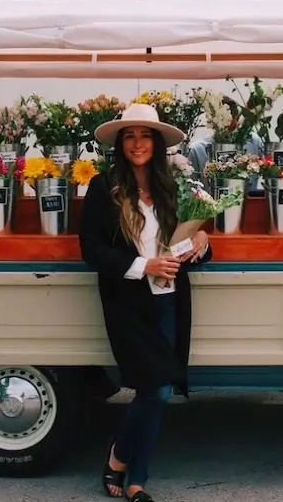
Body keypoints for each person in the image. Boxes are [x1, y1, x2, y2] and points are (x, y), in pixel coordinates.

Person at [78, 103, 213, 502]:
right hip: (128, 304)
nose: (138, 143)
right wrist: (144, 264)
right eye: (130, 136)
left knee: (157, 391)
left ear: (156, 143)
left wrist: (202, 244)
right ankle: (123, 459)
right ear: (121, 144)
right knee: (155, 391)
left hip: (170, 302)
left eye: (145, 135)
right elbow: (92, 250)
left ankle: (135, 479)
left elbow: (188, 245)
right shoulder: (103, 187)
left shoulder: (173, 188)